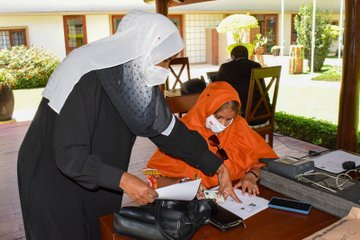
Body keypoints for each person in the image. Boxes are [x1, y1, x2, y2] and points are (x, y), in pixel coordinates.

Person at [17, 10, 239, 240]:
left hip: (95, 170)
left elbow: (170, 131)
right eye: (164, 59)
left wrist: (216, 165)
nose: (166, 68)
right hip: (52, 176)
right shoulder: (84, 71)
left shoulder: (135, 74)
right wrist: (123, 180)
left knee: (98, 230)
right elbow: (70, 155)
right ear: (142, 49)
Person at [147, 82, 278, 195]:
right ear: (205, 110)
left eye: (229, 119)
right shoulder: (182, 132)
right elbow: (152, 177)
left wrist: (251, 176)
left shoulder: (239, 126)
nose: (223, 124)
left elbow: (267, 163)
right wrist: (183, 183)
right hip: (196, 204)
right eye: (219, 117)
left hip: (236, 193)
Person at [214, 45, 268, 126]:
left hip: (241, 117)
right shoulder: (257, 66)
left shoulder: (226, 67)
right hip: (263, 114)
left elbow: (216, 88)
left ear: (232, 57)